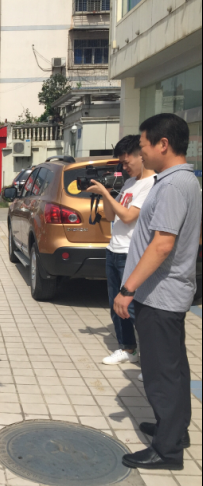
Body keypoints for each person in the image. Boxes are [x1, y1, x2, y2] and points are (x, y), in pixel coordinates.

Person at [114, 114, 202, 471]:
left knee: (161, 374)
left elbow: (162, 244)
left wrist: (128, 288)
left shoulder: (173, 185)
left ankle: (167, 451)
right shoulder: (181, 181)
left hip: (160, 296)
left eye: (144, 145)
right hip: (167, 294)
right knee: (173, 369)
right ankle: (174, 431)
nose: (142, 152)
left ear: (163, 144)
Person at [85, 135, 155, 366]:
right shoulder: (129, 183)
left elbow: (128, 216)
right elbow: (110, 215)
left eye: (127, 162)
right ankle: (128, 349)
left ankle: (151, 360)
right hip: (114, 250)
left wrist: (106, 194)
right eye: (121, 163)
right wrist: (104, 193)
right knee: (117, 306)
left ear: (141, 156)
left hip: (131, 254)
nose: (124, 167)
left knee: (133, 307)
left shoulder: (151, 184)